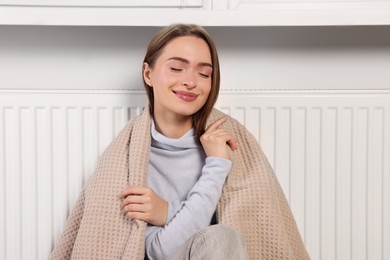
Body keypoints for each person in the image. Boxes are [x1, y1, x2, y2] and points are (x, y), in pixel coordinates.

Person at [50, 24, 310, 260]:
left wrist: (168, 209)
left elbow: (239, 234)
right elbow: (159, 250)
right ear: (148, 73)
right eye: (176, 68)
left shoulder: (231, 144)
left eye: (204, 73)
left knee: (223, 238)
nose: (190, 81)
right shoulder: (128, 160)